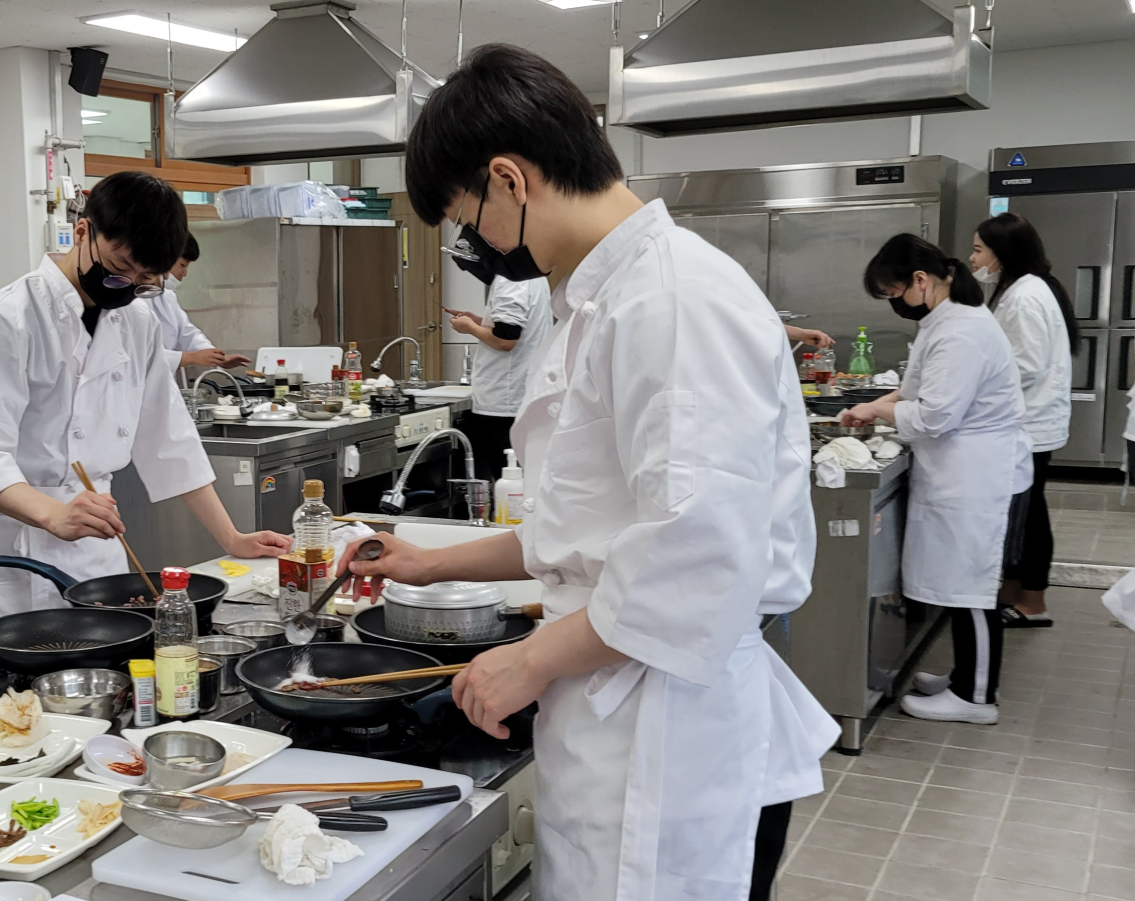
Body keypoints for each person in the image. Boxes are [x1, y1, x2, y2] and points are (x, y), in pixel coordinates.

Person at [357, 43, 837, 901]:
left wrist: (531, 660)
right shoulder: (598, 299)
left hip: (666, 738)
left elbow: (691, 558)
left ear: (510, 178)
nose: (479, 245)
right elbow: (585, 530)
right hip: (616, 708)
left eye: (470, 221)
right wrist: (429, 562)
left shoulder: (674, 300)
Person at [0, 171, 289, 631]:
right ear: (84, 231)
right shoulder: (5, 319)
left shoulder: (137, 320)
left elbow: (168, 438)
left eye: (146, 278)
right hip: (13, 556)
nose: (128, 284)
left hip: (96, 555)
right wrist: (53, 513)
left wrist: (232, 537)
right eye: (120, 266)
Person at [841, 234, 1031, 724]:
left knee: (972, 588)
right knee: (959, 583)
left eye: (893, 293)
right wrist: (880, 406)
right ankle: (967, 678)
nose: (894, 303)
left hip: (976, 475)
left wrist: (881, 414)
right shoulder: (945, 322)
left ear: (920, 281)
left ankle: (977, 697)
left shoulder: (962, 331)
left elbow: (935, 416)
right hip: (959, 470)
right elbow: (917, 390)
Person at [970, 213, 1075, 628]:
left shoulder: (1027, 295)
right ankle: (1012, 592)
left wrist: (974, 380)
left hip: (1030, 425)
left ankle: (1034, 603)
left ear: (1002, 253)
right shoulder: (1019, 288)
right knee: (1019, 514)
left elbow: (1025, 365)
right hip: (1028, 422)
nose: (973, 257)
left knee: (1030, 518)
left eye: (979, 249)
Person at [447, 275, 549, 483]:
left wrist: (470, 328)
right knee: (521, 480)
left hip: (505, 400)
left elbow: (505, 340)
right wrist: (481, 322)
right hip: (521, 394)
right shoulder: (533, 275)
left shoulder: (511, 279)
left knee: (508, 482)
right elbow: (511, 328)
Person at [149, 236, 249, 370]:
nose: (184, 273)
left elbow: (187, 333)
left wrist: (215, 357)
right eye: (182, 265)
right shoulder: (131, 300)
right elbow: (142, 355)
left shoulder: (167, 297)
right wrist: (191, 357)